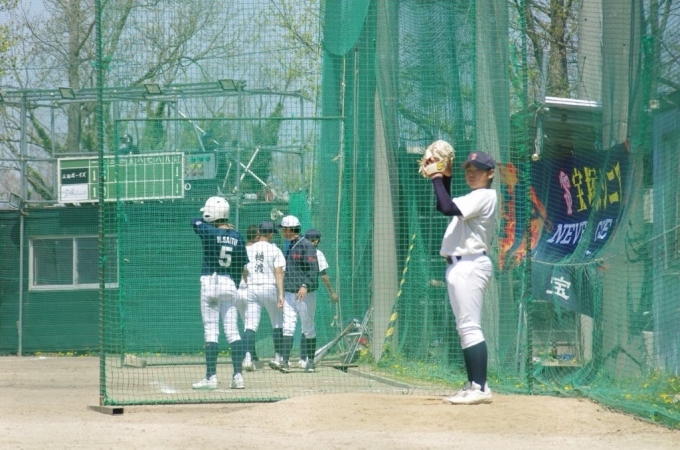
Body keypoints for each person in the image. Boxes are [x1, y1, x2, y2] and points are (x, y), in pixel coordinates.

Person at [427, 150, 497, 405]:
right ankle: (473, 385)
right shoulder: (474, 197)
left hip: (470, 264)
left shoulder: (484, 195)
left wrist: (437, 177)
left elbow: (447, 207)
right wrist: (445, 177)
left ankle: (480, 388)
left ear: (490, 173)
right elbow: (444, 205)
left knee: (469, 327)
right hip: (462, 265)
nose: (471, 174)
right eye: (468, 169)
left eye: (477, 170)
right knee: (465, 328)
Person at [191, 196, 250, 390]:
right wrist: (234, 283)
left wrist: (209, 223)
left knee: (211, 331)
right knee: (233, 331)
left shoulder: (208, 230)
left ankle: (211, 377)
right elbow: (242, 266)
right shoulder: (238, 236)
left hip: (210, 281)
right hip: (229, 283)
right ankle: (238, 376)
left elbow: (194, 221)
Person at [238, 222, 286, 372]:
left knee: (250, 325)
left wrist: (248, 282)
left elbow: (243, 270)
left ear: (259, 232)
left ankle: (247, 359)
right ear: (271, 234)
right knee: (277, 322)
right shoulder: (274, 249)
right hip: (269, 287)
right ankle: (278, 358)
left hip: (252, 288)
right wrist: (281, 293)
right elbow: (279, 272)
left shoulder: (248, 249)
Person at [277, 215, 319, 373]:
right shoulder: (289, 245)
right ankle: (285, 362)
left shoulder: (306, 245)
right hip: (290, 293)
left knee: (308, 328)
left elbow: (313, 268)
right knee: (287, 327)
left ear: (289, 229)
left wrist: (305, 285)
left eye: (283, 229)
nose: (282, 232)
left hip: (305, 294)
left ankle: (311, 362)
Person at [298, 229, 339, 369]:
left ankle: (285, 359)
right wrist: (332, 292)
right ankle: (305, 359)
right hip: (307, 292)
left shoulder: (296, 250)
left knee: (289, 326)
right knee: (307, 325)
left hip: (291, 292)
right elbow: (323, 276)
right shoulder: (317, 253)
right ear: (315, 241)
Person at [237, 224, 261, 370]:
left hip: (237, 291)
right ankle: (247, 358)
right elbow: (245, 270)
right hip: (250, 290)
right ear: (257, 236)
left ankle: (253, 355)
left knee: (247, 326)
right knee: (250, 327)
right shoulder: (259, 249)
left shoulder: (240, 248)